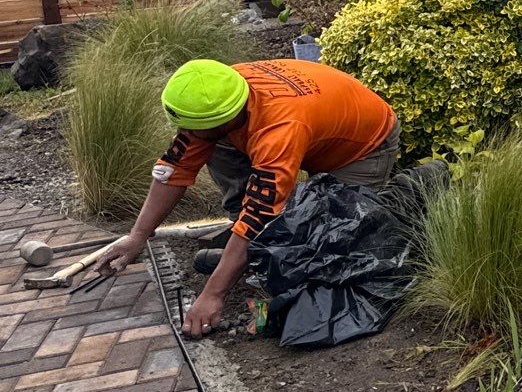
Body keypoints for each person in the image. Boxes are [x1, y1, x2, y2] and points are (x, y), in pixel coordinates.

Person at [95, 58, 401, 337]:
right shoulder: (217, 90)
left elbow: (258, 213)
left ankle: (260, 264)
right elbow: (175, 169)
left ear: (226, 118)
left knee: (334, 239)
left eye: (194, 128)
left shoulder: (278, 128)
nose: (186, 132)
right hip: (311, 125)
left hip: (361, 146)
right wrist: (137, 236)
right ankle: (252, 256)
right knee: (218, 147)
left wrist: (212, 294)